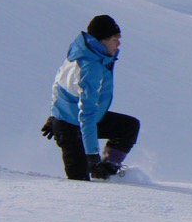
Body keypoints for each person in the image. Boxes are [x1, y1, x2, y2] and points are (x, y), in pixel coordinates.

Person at [41, 15, 140, 180]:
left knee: (128, 127)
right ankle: (97, 172)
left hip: (80, 121)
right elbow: (86, 114)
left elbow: (60, 83)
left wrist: (54, 114)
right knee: (80, 184)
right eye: (114, 39)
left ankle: (107, 173)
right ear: (102, 41)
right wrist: (92, 155)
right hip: (71, 129)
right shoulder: (90, 67)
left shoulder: (88, 53)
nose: (119, 44)